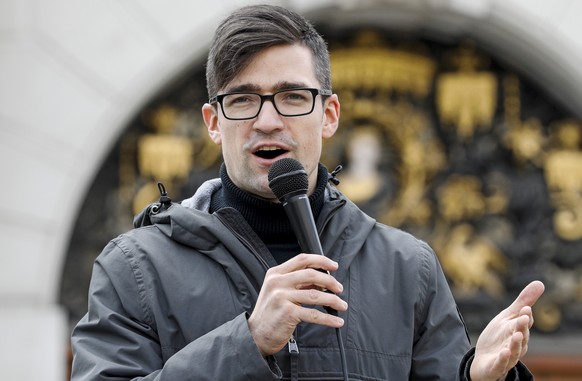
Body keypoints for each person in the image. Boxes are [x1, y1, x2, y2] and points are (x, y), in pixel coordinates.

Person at [70, 4, 545, 380]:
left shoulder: (406, 268)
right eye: (243, 99)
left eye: (293, 96)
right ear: (213, 123)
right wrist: (248, 342)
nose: (267, 120)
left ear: (330, 114)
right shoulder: (135, 269)